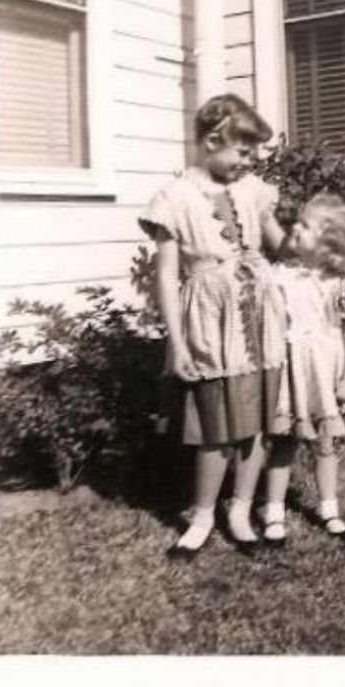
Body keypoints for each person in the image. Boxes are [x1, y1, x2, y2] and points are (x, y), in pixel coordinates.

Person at [139, 93, 287, 558]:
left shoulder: (254, 190)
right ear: (211, 141)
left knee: (258, 420)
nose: (250, 160)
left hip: (260, 315)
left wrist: (321, 244)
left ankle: (240, 510)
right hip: (211, 321)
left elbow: (282, 246)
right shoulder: (175, 198)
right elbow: (167, 276)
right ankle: (202, 516)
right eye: (243, 151)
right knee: (214, 424)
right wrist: (178, 344)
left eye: (254, 153)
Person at [264, 193, 345, 547]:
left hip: (326, 371)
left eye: (305, 225)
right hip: (291, 371)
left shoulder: (342, 283)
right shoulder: (280, 276)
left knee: (324, 444)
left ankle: (330, 510)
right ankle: (273, 513)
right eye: (296, 222)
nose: (294, 228)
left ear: (328, 244)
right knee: (283, 443)